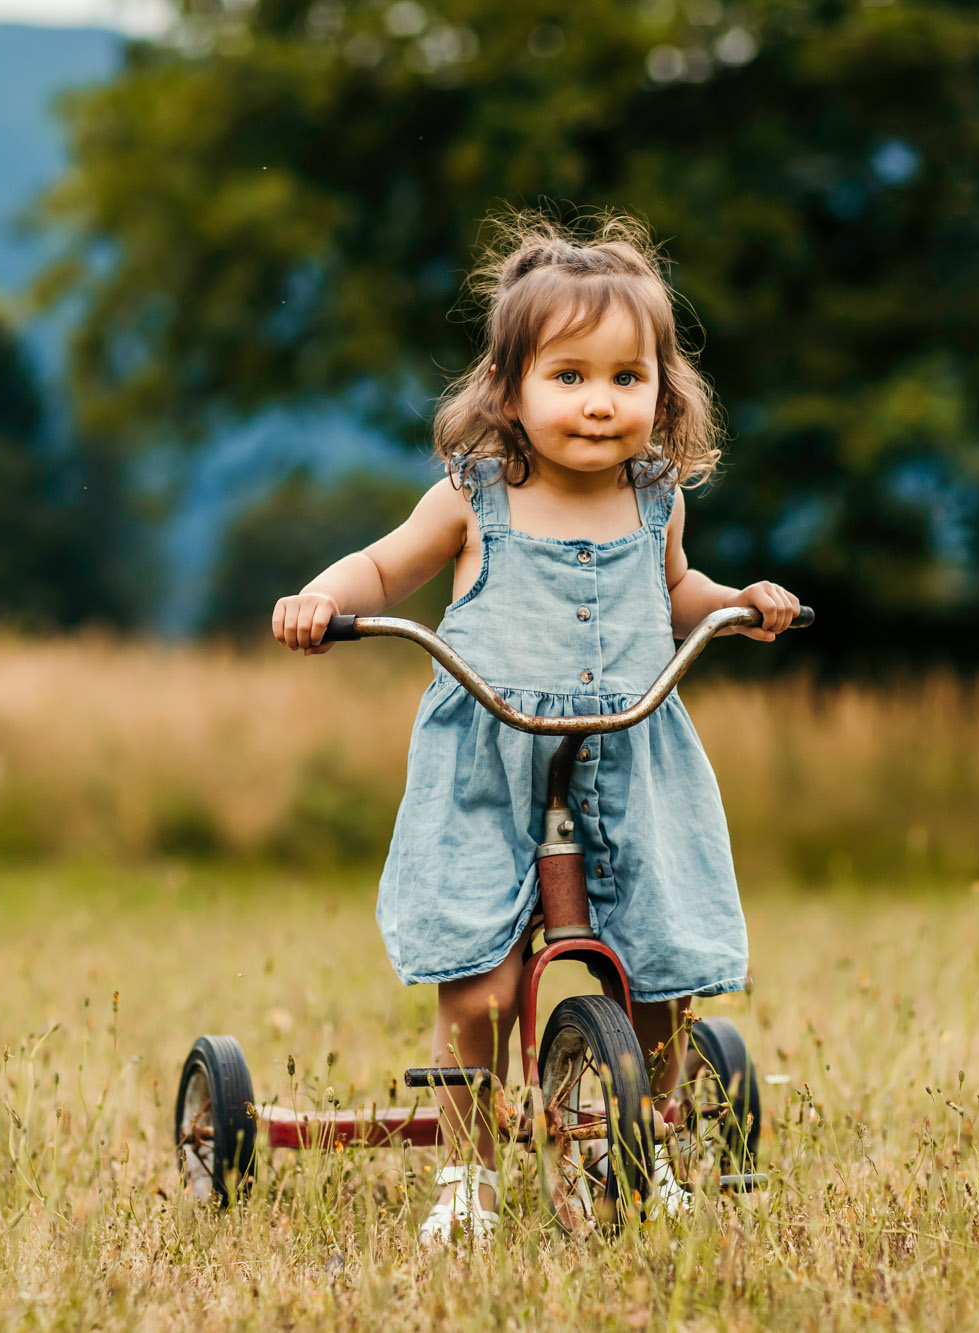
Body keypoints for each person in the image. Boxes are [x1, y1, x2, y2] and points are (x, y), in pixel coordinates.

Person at [271, 213, 799, 1246]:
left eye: (625, 376)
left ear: (663, 390)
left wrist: (740, 600)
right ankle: (464, 1176)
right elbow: (379, 572)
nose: (600, 401)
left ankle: (647, 1145)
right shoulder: (475, 498)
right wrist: (317, 600)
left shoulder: (656, 501)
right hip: (489, 754)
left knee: (653, 970)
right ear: (508, 388)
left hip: (633, 747)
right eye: (568, 376)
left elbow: (677, 590)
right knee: (481, 985)